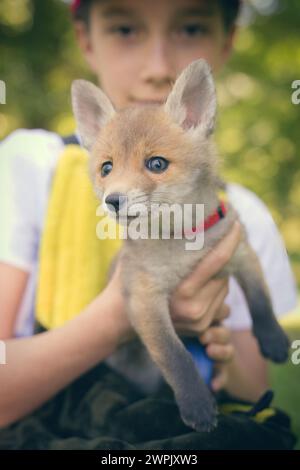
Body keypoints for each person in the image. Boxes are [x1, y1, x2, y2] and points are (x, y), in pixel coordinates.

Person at [0, 0, 297, 434]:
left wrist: (221, 359)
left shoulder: (243, 213)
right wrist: (119, 318)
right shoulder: (27, 167)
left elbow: (251, 392)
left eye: (191, 28)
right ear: (86, 40)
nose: (158, 67)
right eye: (124, 30)